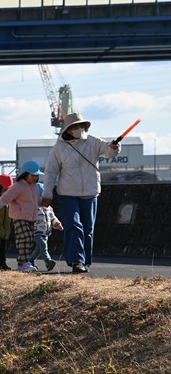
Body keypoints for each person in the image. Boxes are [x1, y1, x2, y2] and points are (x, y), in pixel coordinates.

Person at [42, 113, 121, 274]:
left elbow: (109, 152)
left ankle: (84, 262)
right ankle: (77, 261)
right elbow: (50, 172)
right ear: (68, 129)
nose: (79, 128)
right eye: (76, 126)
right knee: (74, 225)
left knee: (88, 229)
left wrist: (114, 147)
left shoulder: (93, 141)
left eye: (81, 125)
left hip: (90, 193)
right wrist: (47, 194)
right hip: (67, 194)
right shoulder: (59, 148)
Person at [0, 161, 43, 273]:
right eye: (33, 175)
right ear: (25, 174)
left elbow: (36, 201)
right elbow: (7, 197)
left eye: (37, 175)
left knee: (27, 241)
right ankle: (25, 263)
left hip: (31, 218)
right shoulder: (18, 186)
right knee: (26, 238)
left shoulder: (35, 187)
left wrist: (43, 202)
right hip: (19, 217)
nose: (35, 178)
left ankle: (22, 264)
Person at [29, 183, 64, 272]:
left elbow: (53, 218)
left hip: (46, 232)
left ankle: (30, 260)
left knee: (38, 249)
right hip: (36, 232)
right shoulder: (33, 207)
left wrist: (57, 224)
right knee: (43, 246)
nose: (43, 201)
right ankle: (48, 262)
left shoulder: (49, 208)